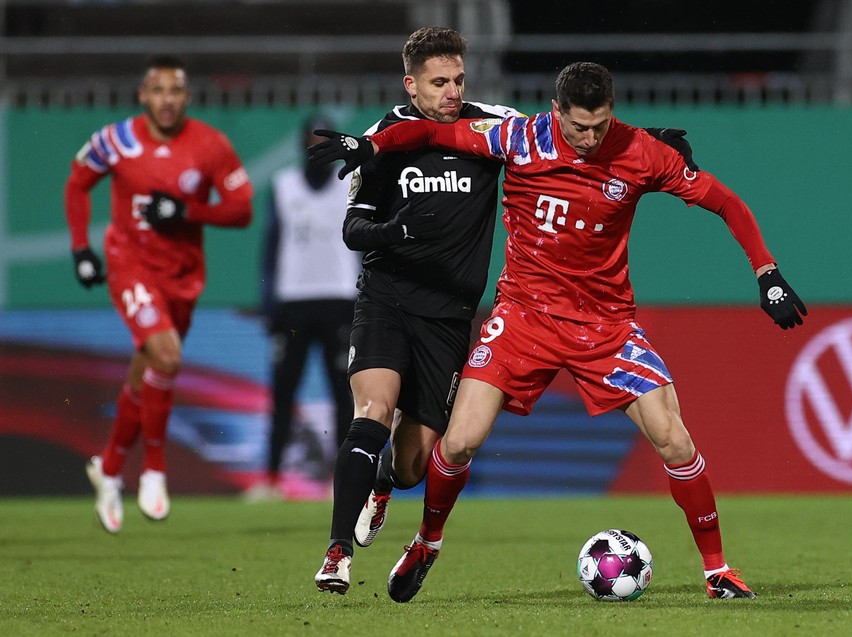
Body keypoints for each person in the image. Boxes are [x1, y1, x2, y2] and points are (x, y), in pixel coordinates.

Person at [309, 61, 806, 601]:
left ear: (611, 112)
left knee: (674, 438)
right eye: (578, 128)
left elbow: (725, 202)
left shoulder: (642, 153)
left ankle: (717, 571)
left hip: (605, 324)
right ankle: (427, 541)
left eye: (600, 126)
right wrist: (372, 145)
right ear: (556, 113)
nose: (589, 139)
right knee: (456, 444)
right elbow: (430, 129)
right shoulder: (520, 137)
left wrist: (768, 273)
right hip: (523, 317)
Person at [64, 55, 253, 533]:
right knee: (167, 357)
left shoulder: (210, 144)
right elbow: (77, 184)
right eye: (158, 90)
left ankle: (107, 468)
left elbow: (241, 209)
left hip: (183, 277)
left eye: (176, 91)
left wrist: (189, 211)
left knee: (148, 369)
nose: (167, 100)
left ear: (186, 97)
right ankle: (153, 469)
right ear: (142, 96)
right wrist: (81, 248)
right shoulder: (117, 140)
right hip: (130, 265)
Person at [246, 119, 358, 500]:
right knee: (282, 395)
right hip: (293, 304)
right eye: (312, 141)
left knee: (344, 395)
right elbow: (270, 251)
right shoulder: (284, 187)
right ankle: (272, 479)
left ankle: (339, 481)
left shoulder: (350, 184)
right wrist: (269, 307)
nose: (318, 149)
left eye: (326, 141)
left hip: (340, 302)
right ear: (300, 145)